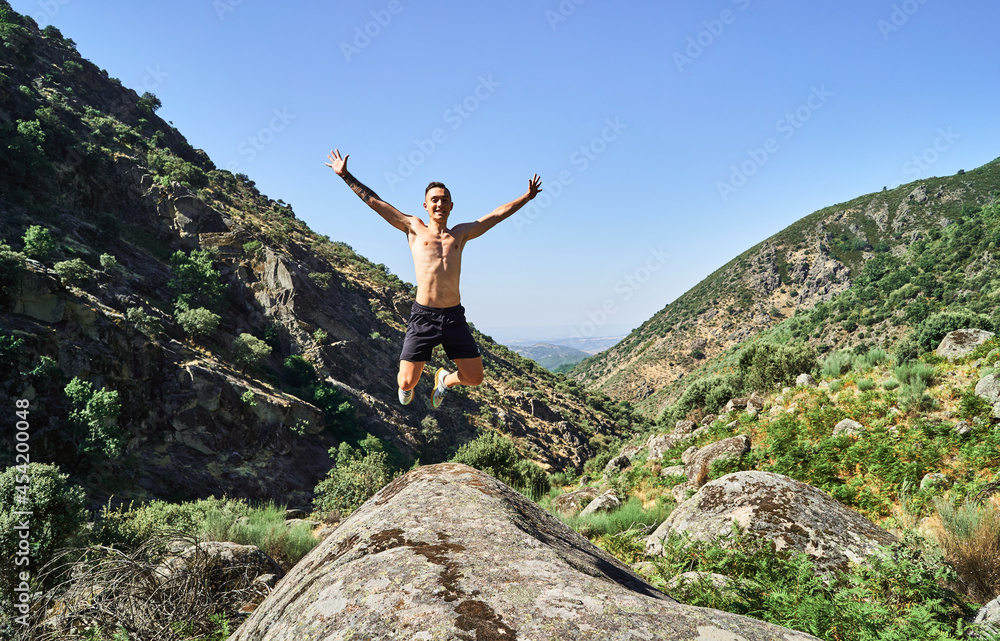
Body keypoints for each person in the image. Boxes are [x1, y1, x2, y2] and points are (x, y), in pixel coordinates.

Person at [326, 149, 542, 408]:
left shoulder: (460, 234)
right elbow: (376, 203)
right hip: (424, 316)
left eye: (444, 200)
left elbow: (496, 215)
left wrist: (526, 198)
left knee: (475, 378)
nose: (440, 204)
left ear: (451, 206)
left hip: (453, 316)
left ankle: (445, 381)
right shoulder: (413, 228)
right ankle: (408, 386)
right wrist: (346, 176)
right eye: (434, 200)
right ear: (426, 206)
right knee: (406, 382)